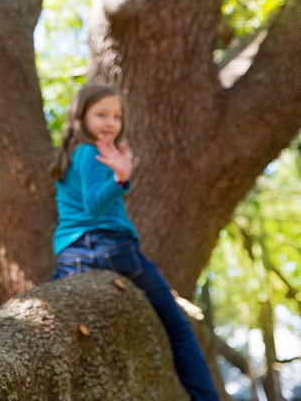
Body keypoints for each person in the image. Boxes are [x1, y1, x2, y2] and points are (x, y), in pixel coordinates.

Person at [48, 84, 220, 401]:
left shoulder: (75, 155)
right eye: (101, 114)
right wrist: (120, 179)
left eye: (117, 115)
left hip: (72, 257)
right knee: (178, 328)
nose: (111, 122)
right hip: (113, 249)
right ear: (80, 116)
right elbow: (93, 205)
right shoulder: (89, 151)